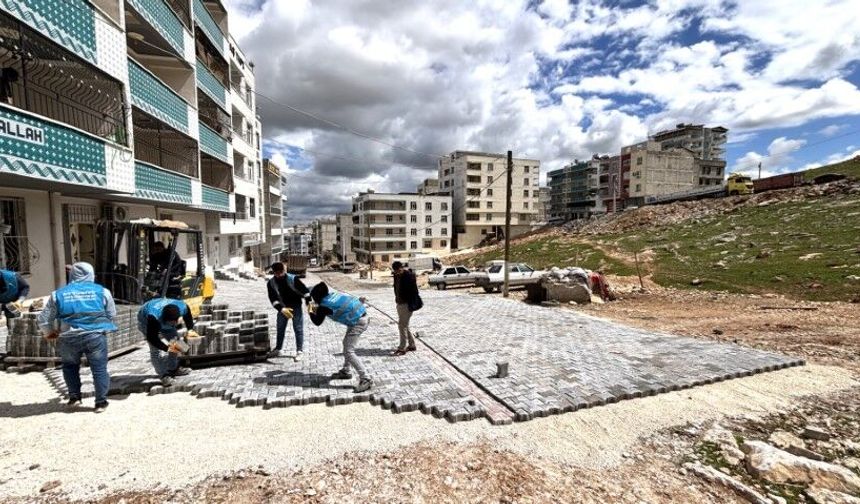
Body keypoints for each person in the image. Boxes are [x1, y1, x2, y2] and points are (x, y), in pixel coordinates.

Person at [37, 262, 115, 413]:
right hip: (95, 336)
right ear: (91, 274)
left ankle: (74, 398)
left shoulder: (57, 294)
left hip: (68, 338)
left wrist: (49, 333)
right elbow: (111, 314)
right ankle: (100, 403)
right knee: (99, 369)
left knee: (70, 367)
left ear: (72, 275)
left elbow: (43, 319)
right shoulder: (102, 292)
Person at [308, 282, 373, 393]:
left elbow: (317, 321)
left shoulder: (324, 306)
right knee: (346, 345)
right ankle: (346, 371)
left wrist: (310, 307)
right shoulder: (334, 295)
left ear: (316, 296)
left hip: (358, 322)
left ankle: (366, 378)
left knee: (349, 351)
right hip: (360, 316)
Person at [138, 297, 197, 387]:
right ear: (164, 320)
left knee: (176, 343)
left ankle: (173, 369)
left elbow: (188, 313)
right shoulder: (153, 317)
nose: (174, 325)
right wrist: (166, 348)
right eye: (171, 323)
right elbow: (152, 338)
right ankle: (164, 376)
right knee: (155, 351)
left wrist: (190, 329)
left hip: (163, 320)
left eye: (174, 323)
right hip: (145, 321)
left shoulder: (182, 307)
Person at [266, 262, 311, 360]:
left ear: (284, 270)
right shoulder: (271, 283)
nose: (279, 274)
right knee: (280, 328)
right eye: (276, 273)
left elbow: (305, 291)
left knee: (298, 329)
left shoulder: (293, 279)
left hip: (296, 307)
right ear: (273, 272)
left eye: (281, 272)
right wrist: (281, 309)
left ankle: (299, 351)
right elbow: (273, 299)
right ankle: (278, 349)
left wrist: (309, 302)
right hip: (283, 308)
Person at [390, 261, 421, 356]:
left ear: (402, 268)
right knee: (405, 325)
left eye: (399, 270)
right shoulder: (396, 275)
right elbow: (396, 288)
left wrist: (409, 302)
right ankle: (412, 345)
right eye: (395, 271)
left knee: (401, 325)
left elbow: (414, 291)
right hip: (399, 303)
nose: (397, 272)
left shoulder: (409, 276)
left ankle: (402, 348)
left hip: (407, 304)